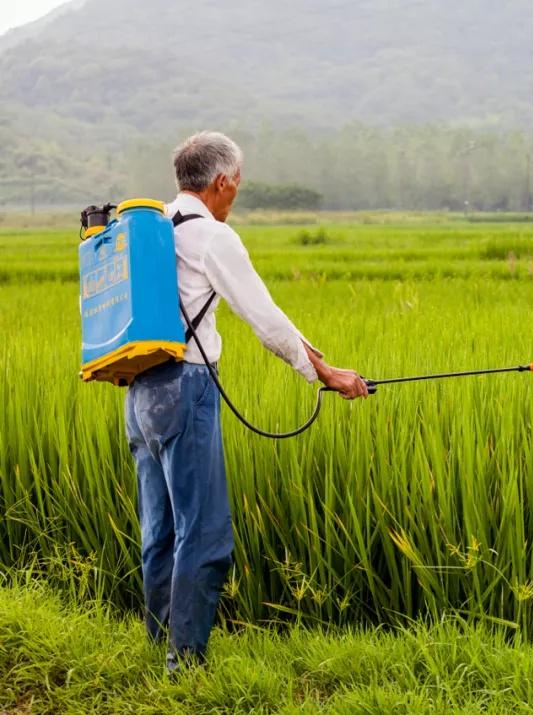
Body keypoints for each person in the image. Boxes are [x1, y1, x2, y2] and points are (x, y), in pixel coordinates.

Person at [124, 131, 367, 676]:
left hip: (140, 392)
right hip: (186, 388)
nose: (236, 194)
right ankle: (184, 665)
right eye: (238, 184)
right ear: (222, 181)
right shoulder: (212, 238)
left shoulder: (153, 226)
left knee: (160, 528)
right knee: (205, 534)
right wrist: (322, 372)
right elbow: (266, 319)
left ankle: (160, 641)